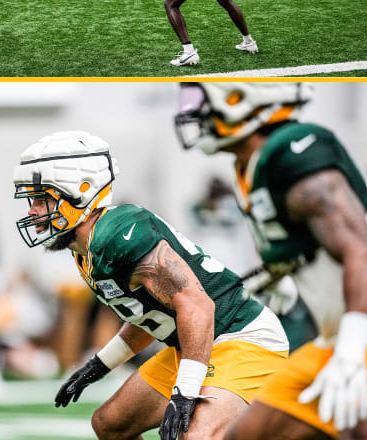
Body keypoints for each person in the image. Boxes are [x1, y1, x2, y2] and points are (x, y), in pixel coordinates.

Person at [175, 83, 367, 439]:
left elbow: (361, 250)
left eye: (199, 100)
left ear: (242, 100)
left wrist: (351, 351)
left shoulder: (292, 153)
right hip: (338, 335)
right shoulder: (251, 169)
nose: (191, 111)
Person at [17, 130, 289, 440]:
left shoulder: (119, 236)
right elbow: (150, 315)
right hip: (196, 341)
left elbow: (198, 307)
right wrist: (99, 364)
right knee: (109, 424)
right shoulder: (87, 252)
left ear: (79, 193)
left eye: (41, 199)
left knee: (193, 436)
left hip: (241, 335)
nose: (32, 211)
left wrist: (184, 393)